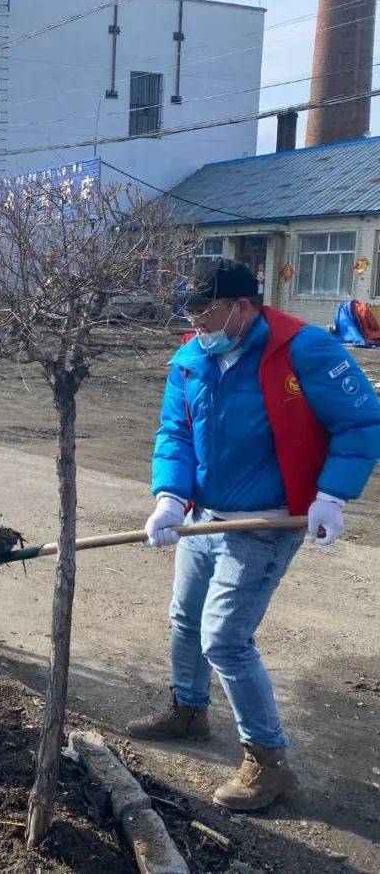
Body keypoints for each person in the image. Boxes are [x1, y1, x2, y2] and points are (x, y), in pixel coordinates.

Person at [128, 259, 380, 811]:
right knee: (184, 617)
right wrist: (170, 497)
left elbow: (361, 423)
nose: (197, 324)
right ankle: (188, 711)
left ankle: (269, 762)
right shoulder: (193, 357)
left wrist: (333, 495)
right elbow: (175, 431)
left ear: (242, 306)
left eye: (206, 312)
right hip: (205, 518)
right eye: (190, 314)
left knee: (224, 639)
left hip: (266, 524)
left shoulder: (306, 349)